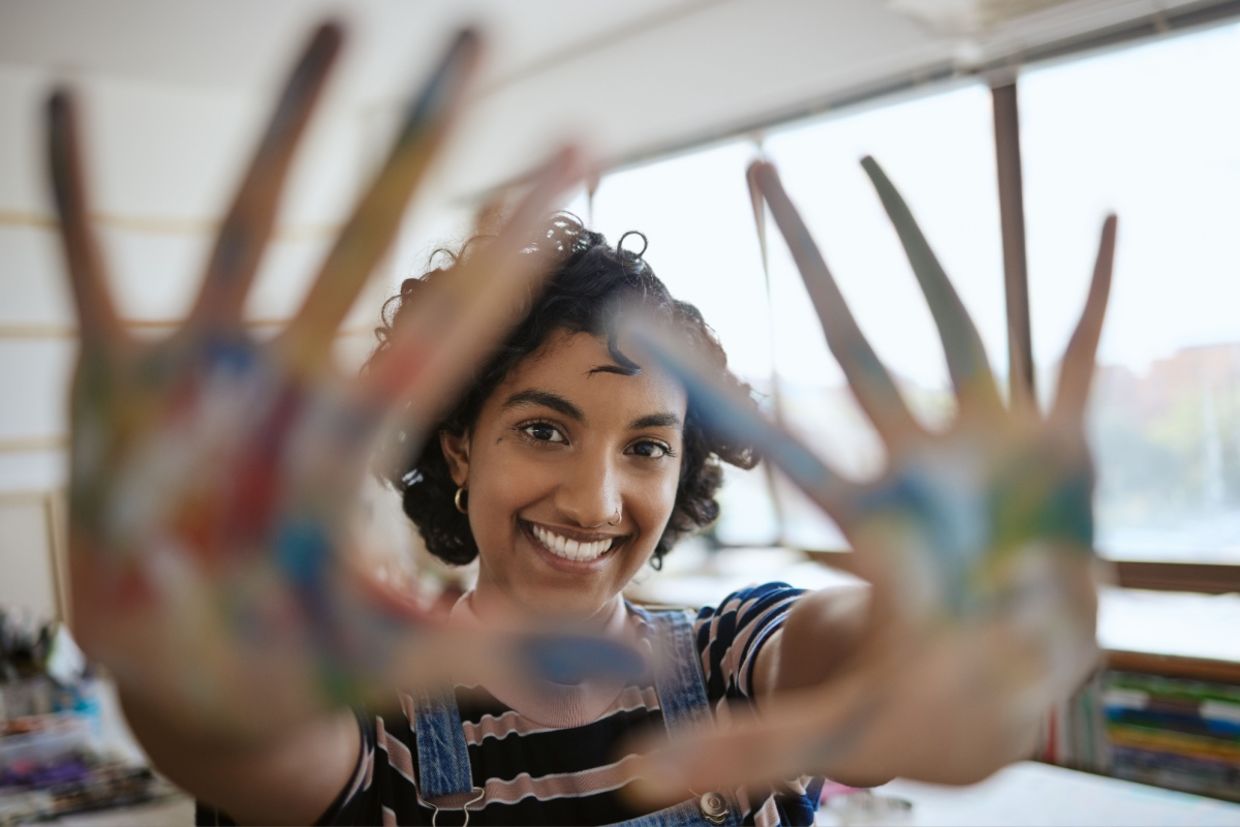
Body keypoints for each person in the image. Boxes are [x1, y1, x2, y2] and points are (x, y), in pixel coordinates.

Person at [47, 19, 1113, 827]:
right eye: (544, 429)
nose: (595, 500)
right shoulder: (373, 712)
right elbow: (249, 741)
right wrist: (189, 690)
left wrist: (966, 646)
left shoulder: (731, 661)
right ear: (459, 445)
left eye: (646, 445)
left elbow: (875, 669)